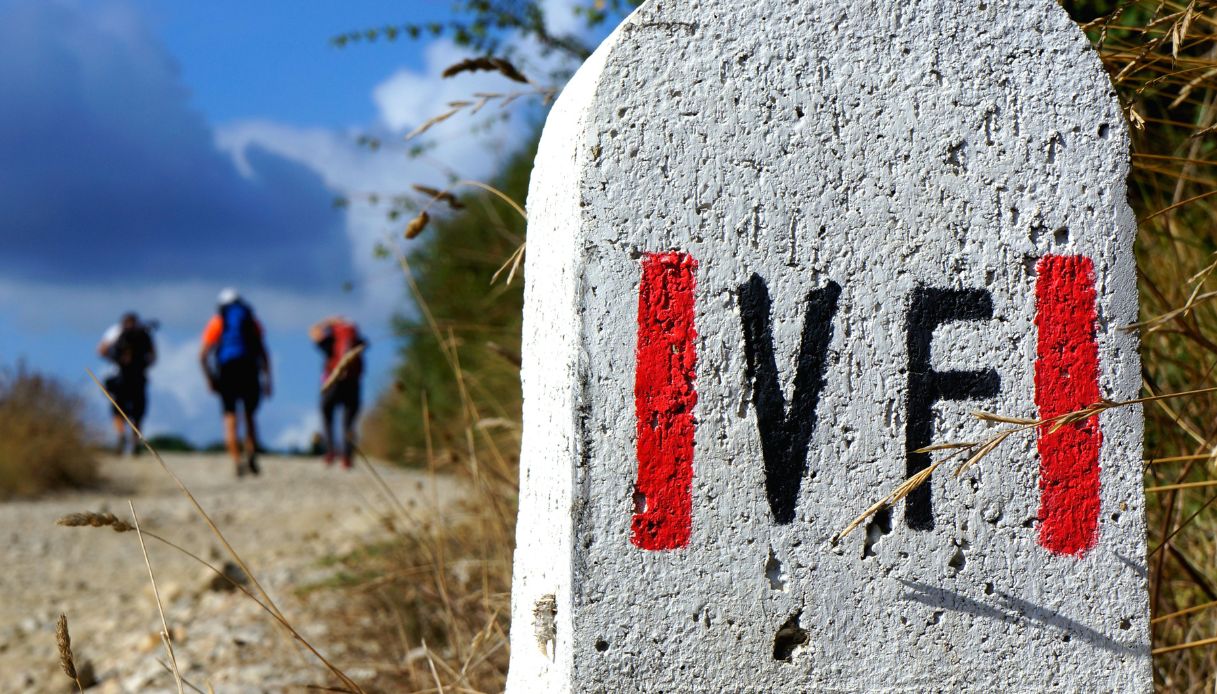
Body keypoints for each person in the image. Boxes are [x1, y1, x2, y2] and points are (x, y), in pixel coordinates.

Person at [199, 289, 271, 477]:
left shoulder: (218, 321)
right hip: (249, 369)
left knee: (230, 419)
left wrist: (209, 378)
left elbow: (202, 355)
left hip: (227, 371)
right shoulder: (251, 320)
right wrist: (268, 380)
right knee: (249, 416)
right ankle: (252, 454)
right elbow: (264, 352)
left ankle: (236, 461)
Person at [309, 316, 367, 469]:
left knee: (327, 413)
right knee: (349, 421)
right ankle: (347, 457)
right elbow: (365, 346)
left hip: (333, 383)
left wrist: (328, 321)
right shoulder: (357, 340)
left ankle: (330, 451)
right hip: (353, 383)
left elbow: (313, 332)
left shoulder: (331, 340)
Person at [97, 312, 156, 454]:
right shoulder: (143, 333)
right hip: (139, 377)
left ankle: (121, 434)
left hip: (119, 376)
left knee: (117, 408)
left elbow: (101, 350)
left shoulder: (115, 331)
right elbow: (153, 357)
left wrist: (114, 358)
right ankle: (135, 441)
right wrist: (142, 365)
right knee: (138, 411)